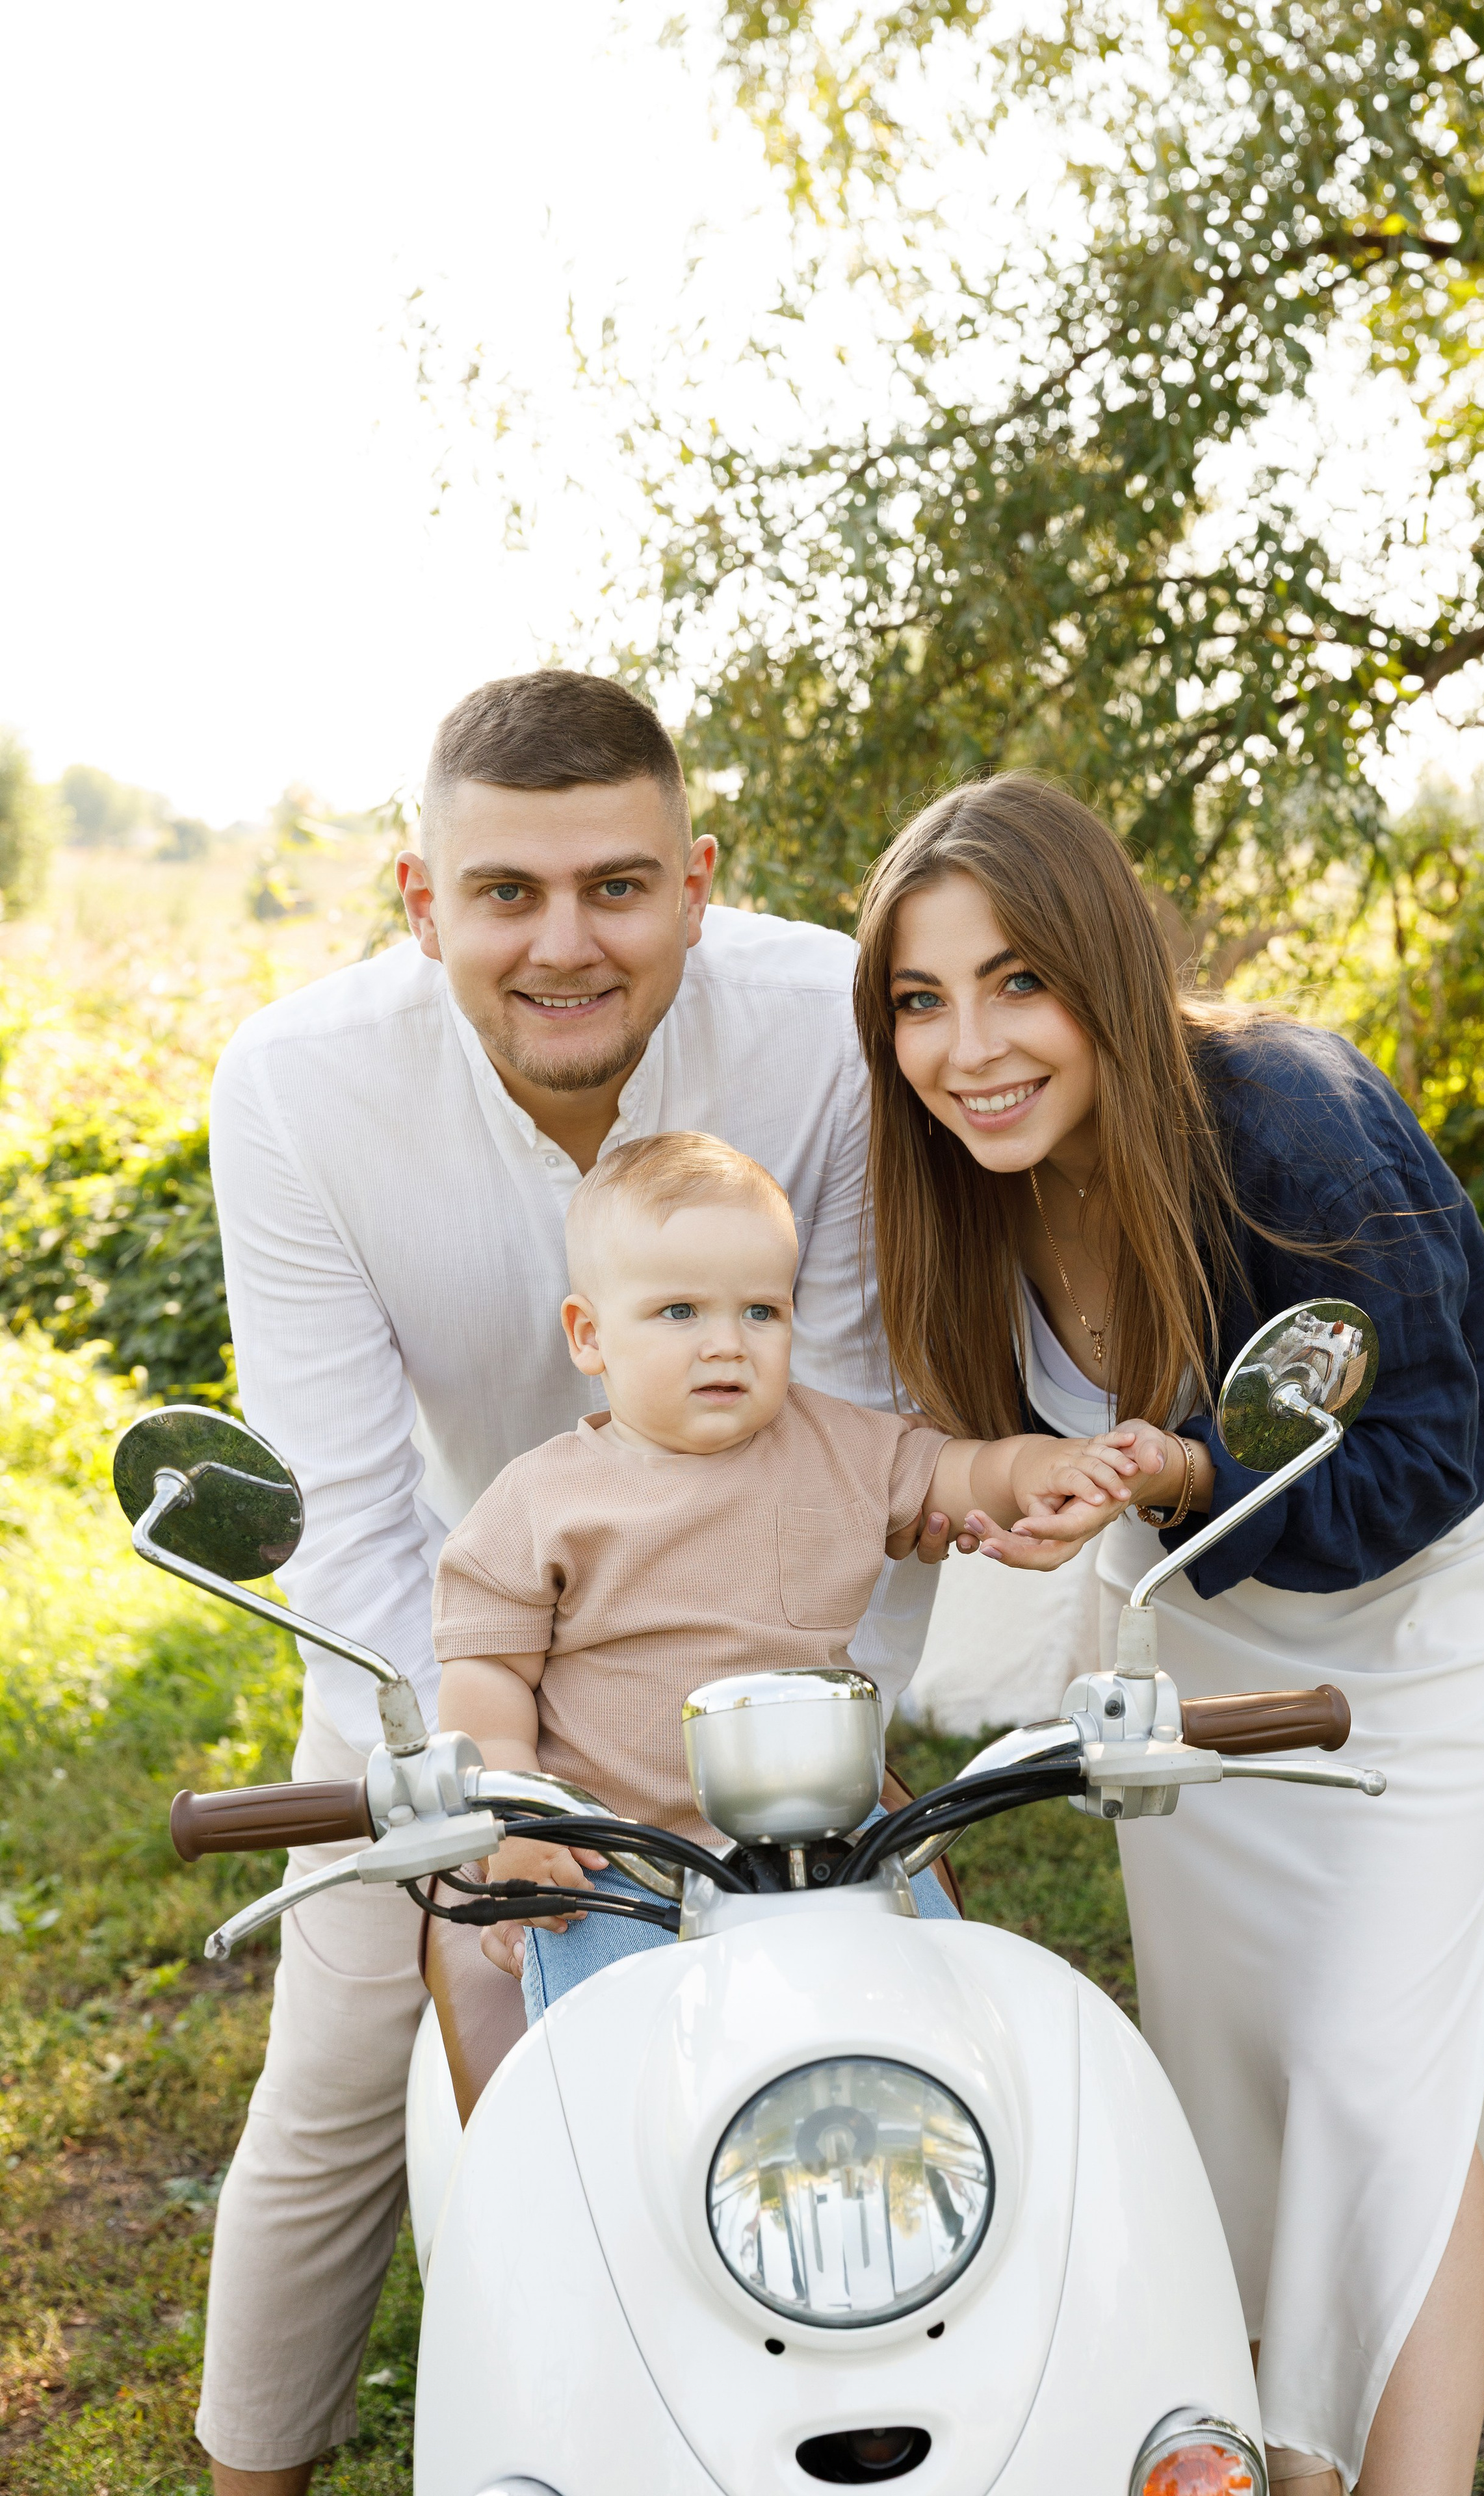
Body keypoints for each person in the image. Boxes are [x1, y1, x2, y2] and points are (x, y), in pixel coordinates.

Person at [200, 671, 959, 2495]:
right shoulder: (297, 1088)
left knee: (908, 2041)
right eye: (508, 895)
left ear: (698, 880)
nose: (566, 943)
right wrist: (499, 1784)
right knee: (336, 2078)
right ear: (420, 901)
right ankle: (254, 2473)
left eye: (618, 887)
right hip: (450, 1638)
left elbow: (841, 1416)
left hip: (759, 1657)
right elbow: (357, 1519)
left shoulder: (817, 1031)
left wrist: (793, 1741)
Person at [852, 774, 1484, 2496]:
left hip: (1425, 1616)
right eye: (920, 1001)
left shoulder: (1288, 1108)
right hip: (1199, 1623)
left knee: (1372, 2063)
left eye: (1019, 980)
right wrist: (1054, 1490)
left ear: (1102, 964)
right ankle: (1285, 2451)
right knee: (1235, 2055)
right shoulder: (962, 1185)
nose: (971, 1048)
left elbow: (1424, 1441)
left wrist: (1193, 1470)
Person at [428, 1128, 1147, 2003]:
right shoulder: (543, 1501)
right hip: (618, 1859)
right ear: (590, 1336)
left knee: (943, 2009)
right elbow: (490, 1672)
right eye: (680, 1312)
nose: (728, 1343)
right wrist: (515, 1815)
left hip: (834, 1838)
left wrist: (1038, 1468)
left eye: (761, 1311)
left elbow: (955, 1474)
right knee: (615, 2059)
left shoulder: (837, 1448)